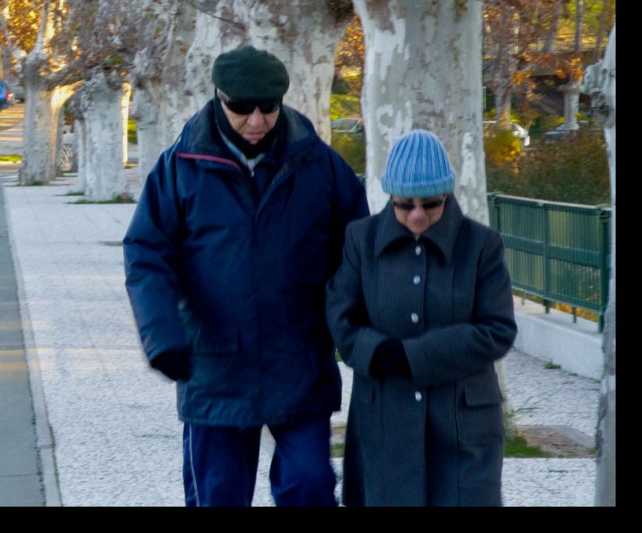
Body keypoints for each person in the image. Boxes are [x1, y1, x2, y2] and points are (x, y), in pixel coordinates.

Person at [123, 45, 369, 507]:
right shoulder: (179, 169)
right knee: (218, 496)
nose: (256, 121)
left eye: (268, 107)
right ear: (219, 97)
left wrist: (357, 332)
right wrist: (162, 337)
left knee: (311, 485)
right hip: (215, 366)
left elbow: (358, 255)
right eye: (241, 108)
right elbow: (146, 252)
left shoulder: (322, 167)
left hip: (299, 361)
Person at [325, 129, 518, 506]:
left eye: (430, 203)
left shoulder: (482, 245)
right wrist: (376, 352)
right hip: (386, 416)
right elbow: (340, 314)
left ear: (447, 194)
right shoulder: (360, 241)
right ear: (389, 196)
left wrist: (414, 356)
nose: (417, 214)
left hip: (463, 423)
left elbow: (497, 329)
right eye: (404, 204)